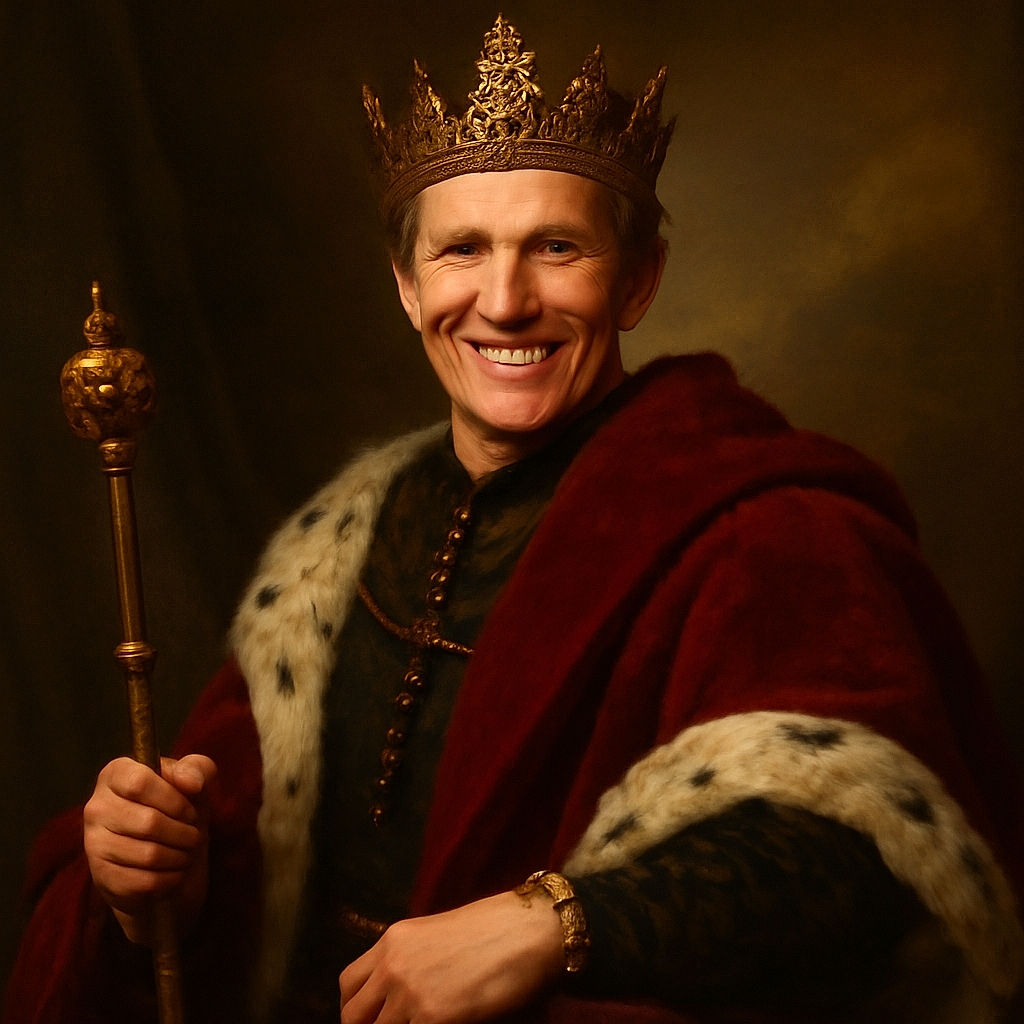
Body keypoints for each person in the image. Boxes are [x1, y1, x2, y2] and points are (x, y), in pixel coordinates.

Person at [5, 14, 1024, 1024]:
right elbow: (245, 877)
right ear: (407, 287)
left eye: (554, 246)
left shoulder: (770, 528)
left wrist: (555, 923)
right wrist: (157, 876)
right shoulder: (344, 540)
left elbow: (858, 853)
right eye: (460, 252)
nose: (503, 300)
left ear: (636, 279)